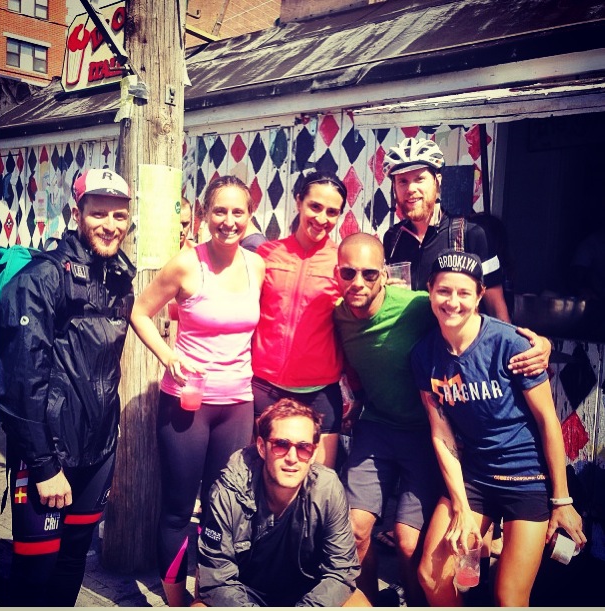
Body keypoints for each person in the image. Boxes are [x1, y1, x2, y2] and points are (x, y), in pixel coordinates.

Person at [332, 233, 551, 606]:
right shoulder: (340, 315)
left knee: (412, 544)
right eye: (348, 272)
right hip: (386, 429)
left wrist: (540, 345)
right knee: (358, 532)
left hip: (451, 443)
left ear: (384, 274)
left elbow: (478, 324)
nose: (358, 282)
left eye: (369, 273)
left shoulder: (420, 307)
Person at [411, 249, 586, 606]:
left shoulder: (511, 343)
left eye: (464, 293)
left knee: (508, 597)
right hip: (475, 477)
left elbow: (548, 420)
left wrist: (562, 500)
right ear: (430, 291)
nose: (453, 302)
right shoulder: (424, 355)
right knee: (431, 575)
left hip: (526, 480)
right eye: (444, 291)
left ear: (479, 296)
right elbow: (441, 433)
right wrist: (460, 505)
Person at [0, 168, 135, 606]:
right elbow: (19, 384)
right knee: (35, 573)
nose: (110, 225)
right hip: (48, 455)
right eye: (98, 213)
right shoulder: (41, 278)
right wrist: (43, 467)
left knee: (74, 560)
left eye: (119, 215)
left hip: (98, 452)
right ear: (77, 215)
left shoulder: (119, 277)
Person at [130, 175, 265, 607]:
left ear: (250, 215)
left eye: (238, 211)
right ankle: (175, 601)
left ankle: (208, 595)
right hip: (187, 403)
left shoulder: (256, 265)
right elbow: (140, 311)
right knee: (177, 507)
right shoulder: (187, 264)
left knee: (221, 506)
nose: (229, 220)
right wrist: (167, 355)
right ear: (205, 214)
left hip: (238, 402)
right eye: (219, 211)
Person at [195, 398, 370, 607]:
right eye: (281, 445)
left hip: (308, 593)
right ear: (262, 447)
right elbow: (216, 579)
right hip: (242, 593)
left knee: (359, 604)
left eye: (303, 447)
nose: (292, 458)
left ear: (313, 453)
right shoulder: (228, 491)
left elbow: (341, 571)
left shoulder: (328, 489)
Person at [251, 170, 348, 468]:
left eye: (332, 212)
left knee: (320, 483)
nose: (322, 218)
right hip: (265, 388)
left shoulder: (343, 263)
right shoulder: (267, 254)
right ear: (298, 202)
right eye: (315, 206)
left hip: (320, 393)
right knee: (260, 478)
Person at [382, 137, 511, 321]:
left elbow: (497, 310)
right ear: (394, 187)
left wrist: (509, 339)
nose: (410, 188)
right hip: (408, 339)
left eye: (420, 179)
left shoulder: (472, 235)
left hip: (456, 340)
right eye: (402, 181)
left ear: (438, 181)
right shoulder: (393, 238)